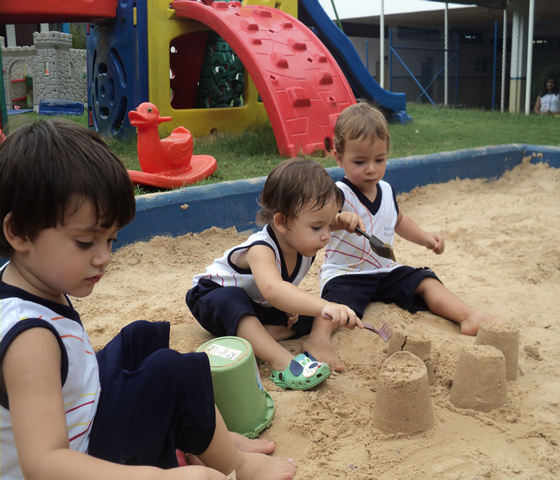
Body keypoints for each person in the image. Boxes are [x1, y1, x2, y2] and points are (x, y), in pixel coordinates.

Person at [0, 119, 296, 480]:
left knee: (139, 338)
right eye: (85, 242)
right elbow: (43, 464)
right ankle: (238, 464)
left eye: (111, 240)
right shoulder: (30, 340)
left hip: (82, 416)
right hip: (81, 458)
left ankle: (203, 438)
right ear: (19, 232)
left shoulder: (27, 279)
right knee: (172, 373)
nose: (104, 257)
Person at [301, 102, 503, 373]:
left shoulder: (386, 189)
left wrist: (425, 238)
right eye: (360, 162)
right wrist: (338, 221)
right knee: (336, 303)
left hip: (386, 269)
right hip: (347, 274)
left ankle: (467, 316)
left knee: (425, 280)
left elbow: (397, 220)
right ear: (339, 158)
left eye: (379, 160)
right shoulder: (337, 194)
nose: (371, 169)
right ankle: (318, 338)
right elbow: (319, 224)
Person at [186, 158, 364, 390]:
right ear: (281, 221)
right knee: (235, 300)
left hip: (258, 304)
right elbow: (273, 290)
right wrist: (324, 306)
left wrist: (343, 221)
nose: (326, 236)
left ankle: (257, 338)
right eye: (317, 227)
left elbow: (323, 220)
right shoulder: (261, 249)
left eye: (329, 225)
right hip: (214, 299)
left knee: (306, 315)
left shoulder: (302, 240)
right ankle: (281, 361)